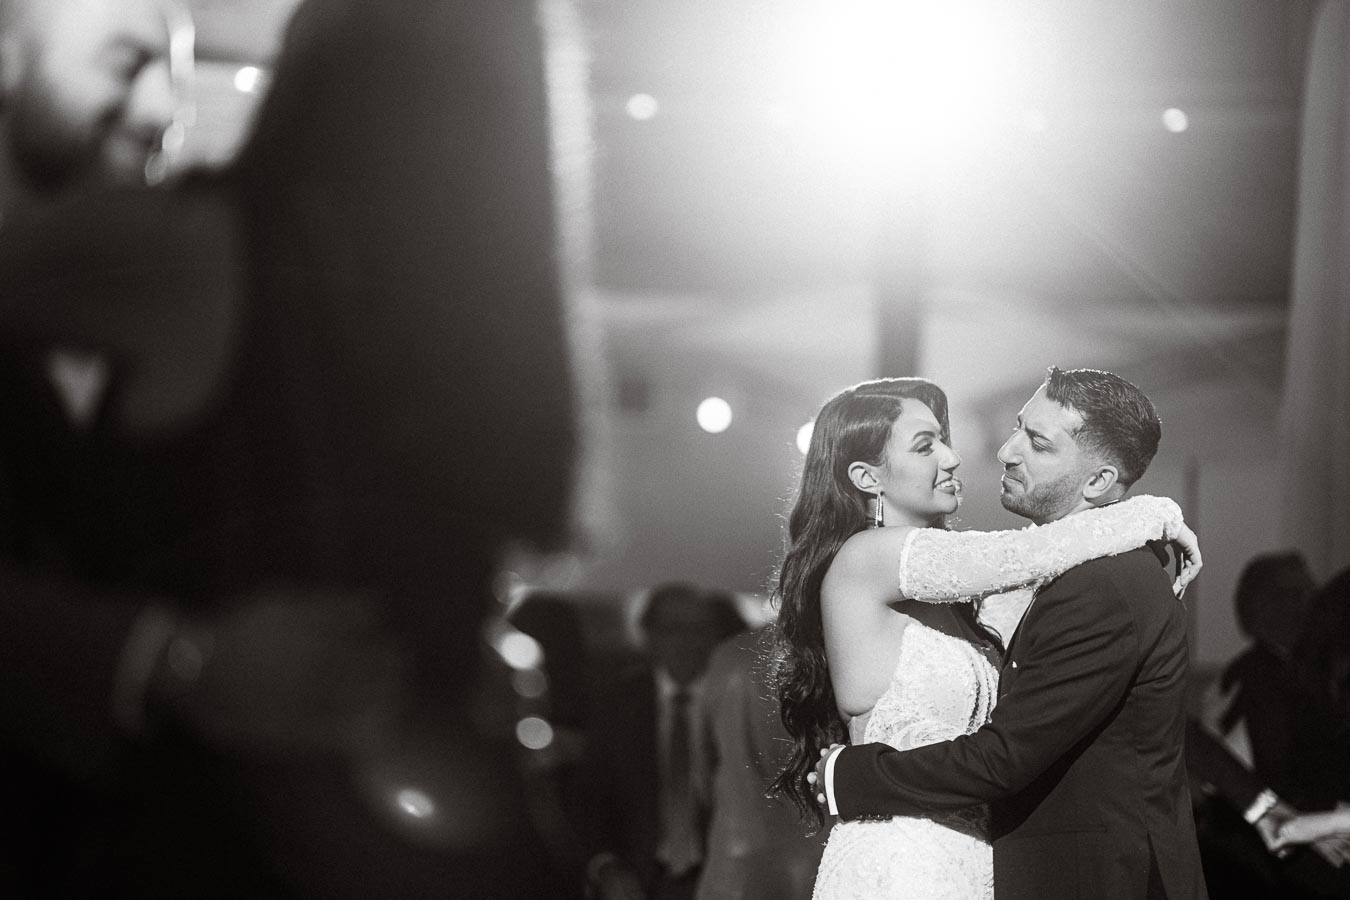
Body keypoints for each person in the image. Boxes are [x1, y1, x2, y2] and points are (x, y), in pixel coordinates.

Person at [0, 0, 583, 894]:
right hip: (451, 839)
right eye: (127, 63)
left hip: (245, 836)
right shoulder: (498, 323)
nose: (166, 108)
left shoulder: (194, 250)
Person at [777, 371, 1203, 899]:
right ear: (868, 478)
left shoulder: (963, 596)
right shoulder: (869, 557)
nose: (956, 458)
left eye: (943, 441)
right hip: (902, 861)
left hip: (974, 861)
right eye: (925, 445)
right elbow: (1029, 554)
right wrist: (1156, 512)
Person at [585, 583, 747, 900]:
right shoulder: (617, 704)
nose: (687, 641)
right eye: (673, 629)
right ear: (649, 636)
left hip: (725, 877)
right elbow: (591, 800)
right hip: (642, 878)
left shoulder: (740, 699)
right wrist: (606, 866)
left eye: (699, 629)